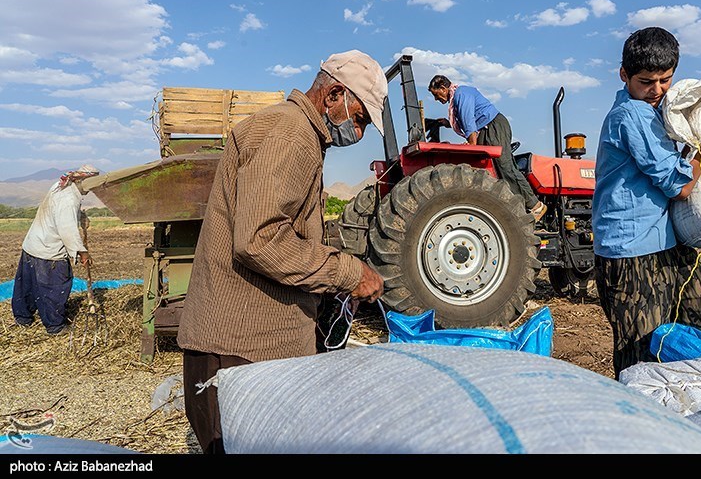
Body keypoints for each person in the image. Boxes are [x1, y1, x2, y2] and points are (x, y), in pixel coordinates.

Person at [177, 49, 387, 454]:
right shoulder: (289, 135)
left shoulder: (298, 134)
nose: (358, 135)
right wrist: (347, 273)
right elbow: (260, 240)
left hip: (250, 349)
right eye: (359, 119)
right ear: (333, 96)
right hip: (239, 352)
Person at [592, 27, 701, 380]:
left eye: (665, 80)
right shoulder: (631, 116)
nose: (656, 90)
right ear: (624, 75)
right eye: (646, 82)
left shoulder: (654, 111)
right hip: (631, 254)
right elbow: (681, 187)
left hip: (667, 243)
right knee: (641, 357)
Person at [427, 75, 547, 221]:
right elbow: (467, 120)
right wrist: (447, 123)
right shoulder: (457, 97)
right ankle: (517, 209)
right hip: (485, 128)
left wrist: (472, 145)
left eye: (436, 94)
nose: (436, 99)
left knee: (505, 167)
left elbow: (468, 120)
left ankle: (536, 206)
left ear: (443, 88)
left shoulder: (461, 94)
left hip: (493, 126)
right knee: (493, 171)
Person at [12, 164, 100, 335]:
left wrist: (80, 216)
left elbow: (58, 213)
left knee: (27, 285)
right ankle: (55, 326)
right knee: (54, 286)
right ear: (81, 180)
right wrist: (82, 252)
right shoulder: (69, 199)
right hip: (48, 251)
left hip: (32, 244)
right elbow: (67, 230)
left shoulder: (61, 186)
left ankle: (23, 318)